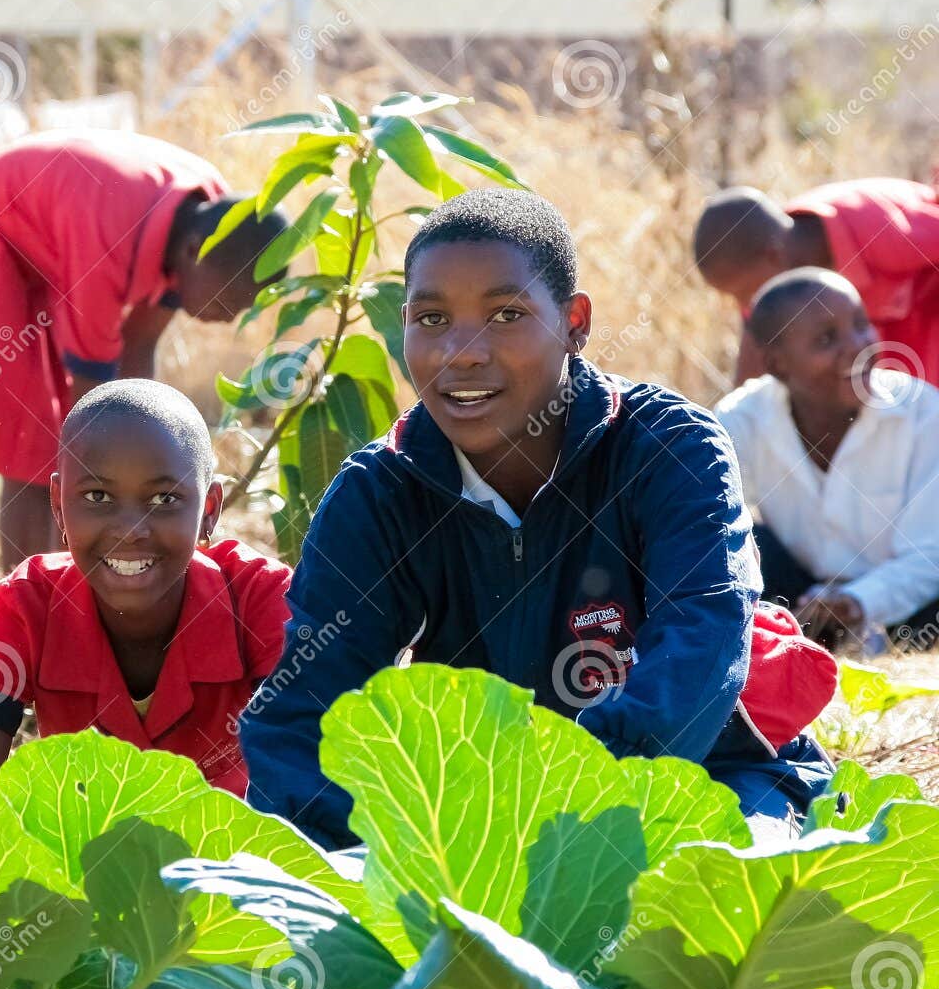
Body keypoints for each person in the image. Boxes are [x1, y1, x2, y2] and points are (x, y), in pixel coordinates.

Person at [239, 188, 834, 850]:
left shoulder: (667, 447)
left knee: (709, 896)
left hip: (704, 780)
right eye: (431, 319)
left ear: (575, 321)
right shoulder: (379, 494)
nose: (461, 352)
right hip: (479, 824)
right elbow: (298, 720)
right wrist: (406, 846)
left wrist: (552, 815)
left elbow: (700, 649)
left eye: (505, 314)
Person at [0, 130, 288, 570]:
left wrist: (155, 459)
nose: (230, 319)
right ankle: (28, 607)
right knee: (36, 452)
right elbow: (90, 405)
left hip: (48, 241)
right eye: (231, 300)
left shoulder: (208, 215)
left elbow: (140, 348)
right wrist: (121, 493)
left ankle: (68, 593)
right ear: (194, 252)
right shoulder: (108, 239)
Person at [0, 380, 291, 793]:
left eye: (164, 499)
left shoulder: (262, 599)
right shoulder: (25, 605)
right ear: (57, 504)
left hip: (233, 854)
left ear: (210, 510)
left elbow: (302, 777)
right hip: (81, 853)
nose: (130, 531)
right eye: (97, 495)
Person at [715, 267, 939, 651]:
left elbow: (929, 558)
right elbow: (698, 518)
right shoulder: (740, 420)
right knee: (729, 539)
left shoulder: (923, 416)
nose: (858, 345)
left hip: (906, 612)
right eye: (826, 339)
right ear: (777, 365)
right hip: (798, 603)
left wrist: (855, 602)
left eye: (861, 324)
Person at [694, 180, 939, 385]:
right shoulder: (770, 268)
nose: (747, 306)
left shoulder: (884, 235)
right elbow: (749, 380)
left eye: (744, 294)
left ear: (773, 256)